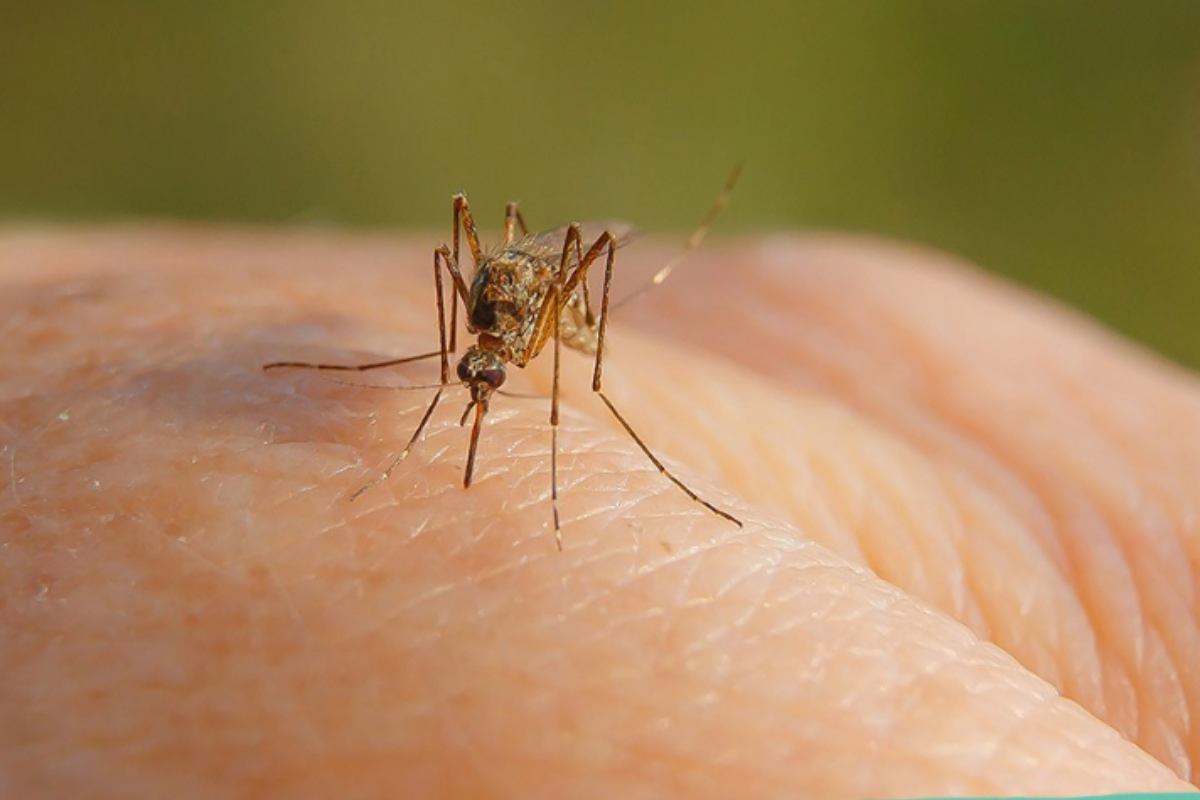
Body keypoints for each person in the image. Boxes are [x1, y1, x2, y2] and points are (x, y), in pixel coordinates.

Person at [1, 228, 1195, 797]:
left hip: (550, 313)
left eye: (466, 386)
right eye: (468, 383)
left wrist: (577, 399)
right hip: (502, 305)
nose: (471, 402)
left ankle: (602, 423)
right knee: (471, 234)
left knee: (557, 252)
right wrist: (425, 362)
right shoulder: (472, 342)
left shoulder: (524, 326)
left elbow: (562, 272)